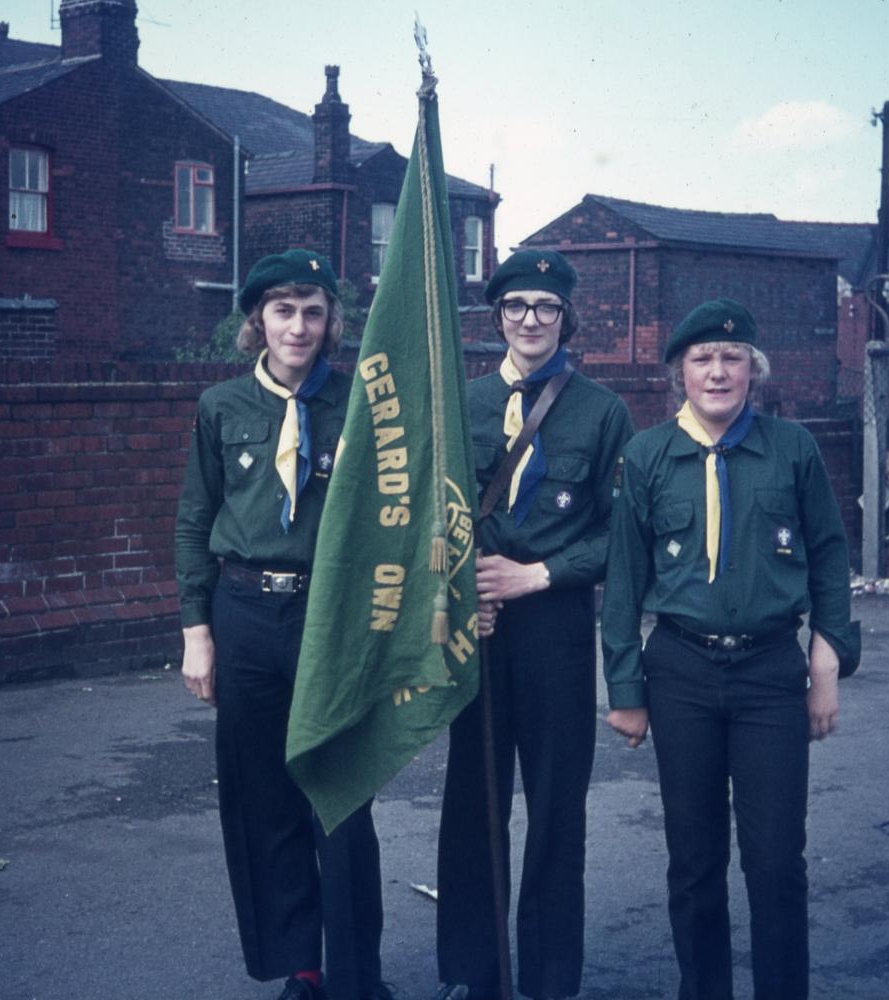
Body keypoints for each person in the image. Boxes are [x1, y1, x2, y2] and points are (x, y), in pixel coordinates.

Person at [601, 298, 860, 1000]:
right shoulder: (646, 456)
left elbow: (830, 557)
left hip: (769, 670)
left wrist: (826, 662)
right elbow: (623, 580)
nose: (717, 372)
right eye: (701, 359)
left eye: (731, 358)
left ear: (753, 369)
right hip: (679, 668)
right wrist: (625, 691)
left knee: (776, 860)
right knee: (693, 860)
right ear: (677, 373)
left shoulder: (791, 449)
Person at [175, 250, 386, 1000]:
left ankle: (361, 976)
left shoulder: (363, 403)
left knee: (340, 797)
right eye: (283, 310)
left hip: (332, 615)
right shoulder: (221, 406)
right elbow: (196, 518)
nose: (298, 326)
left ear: (332, 322)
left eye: (313, 311)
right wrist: (197, 631)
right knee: (264, 798)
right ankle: (300, 966)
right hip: (245, 613)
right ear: (256, 320)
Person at [435, 249, 634, 1000]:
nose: (530, 320)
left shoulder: (602, 412)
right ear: (498, 317)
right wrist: (464, 592)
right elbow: (432, 512)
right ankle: (471, 971)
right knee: (470, 802)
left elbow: (620, 533)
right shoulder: (463, 401)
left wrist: (535, 576)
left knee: (556, 804)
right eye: (516, 306)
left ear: (565, 318)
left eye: (545, 308)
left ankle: (550, 976)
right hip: (479, 628)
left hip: (552, 623)